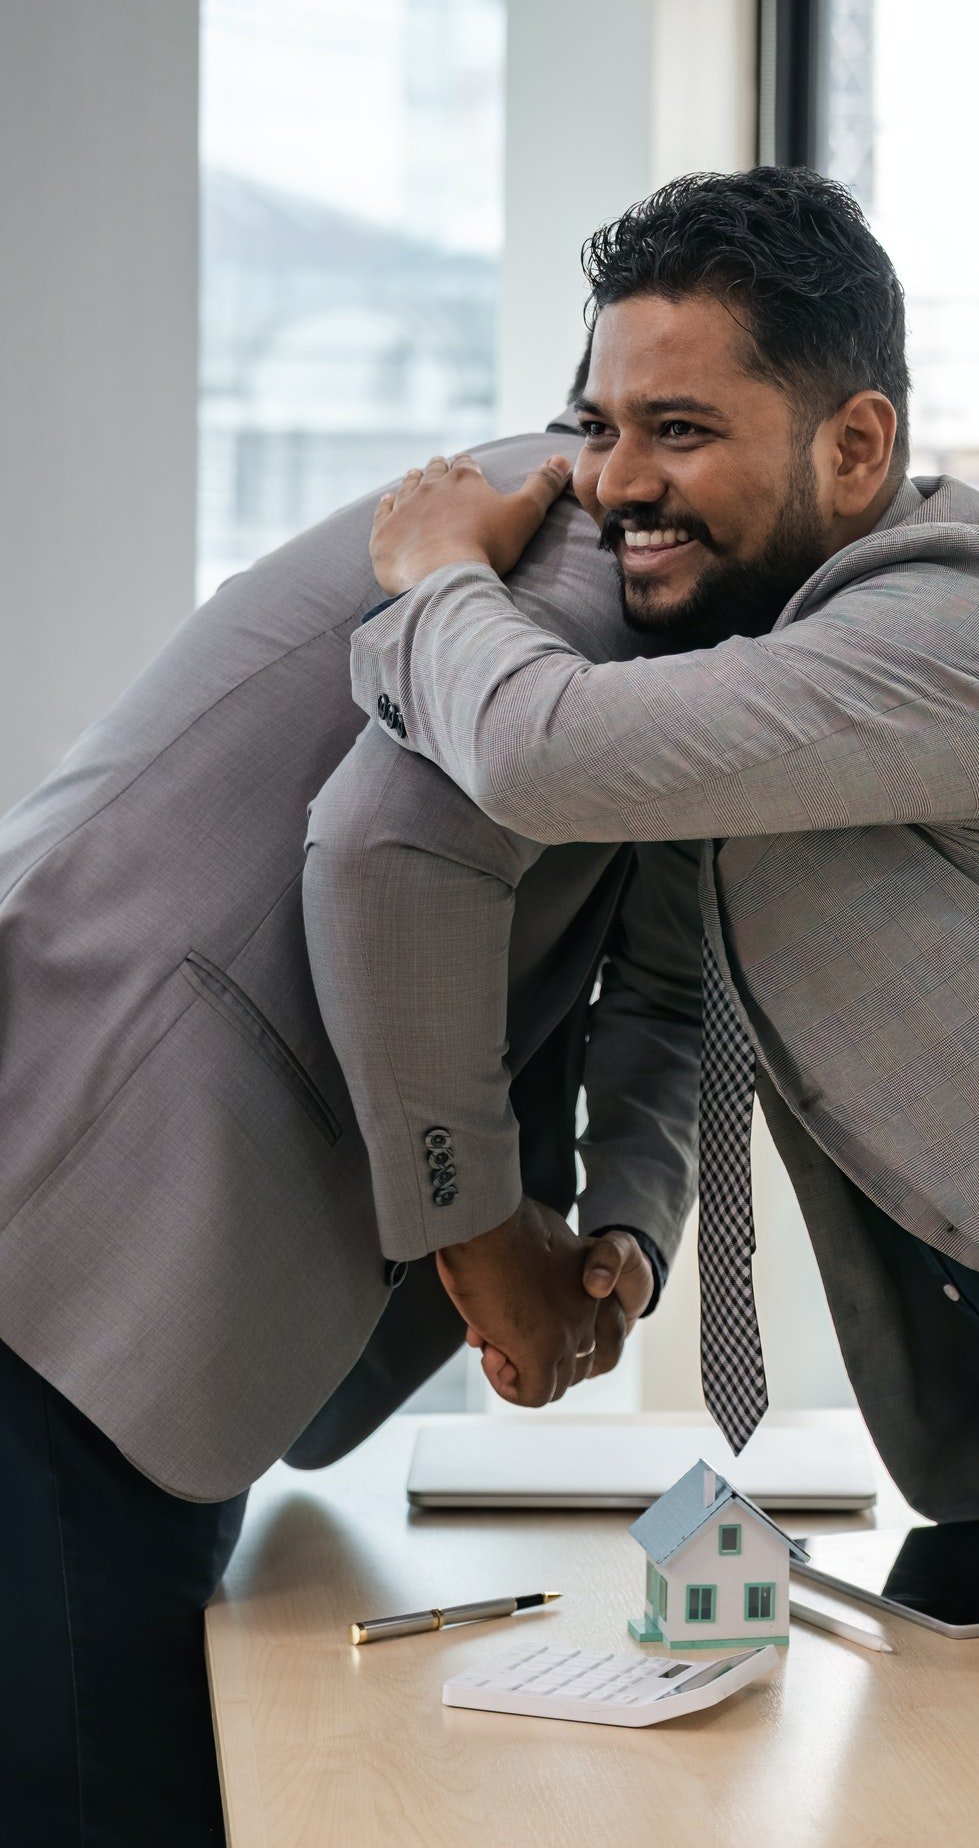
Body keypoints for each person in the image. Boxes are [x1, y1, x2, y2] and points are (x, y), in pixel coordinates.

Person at [354, 165, 979, 1726]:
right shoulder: (758, 676)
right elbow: (676, 994)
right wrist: (625, 1231)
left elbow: (541, 751)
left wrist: (438, 584)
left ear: (854, 445)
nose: (613, 483)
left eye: (679, 430)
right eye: (597, 426)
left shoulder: (967, 623)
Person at [0, 411, 702, 1845]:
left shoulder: (702, 632)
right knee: (100, 1797)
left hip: (158, 1263)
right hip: (82, 1231)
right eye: (640, 418)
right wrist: (483, 1230)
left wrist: (624, 1228)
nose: (635, 469)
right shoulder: (575, 562)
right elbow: (391, 855)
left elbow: (670, 968)